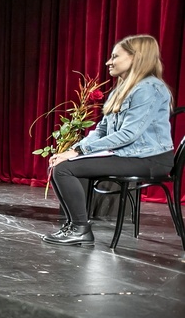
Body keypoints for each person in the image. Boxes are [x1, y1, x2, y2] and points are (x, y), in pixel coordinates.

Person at [42, 35, 174, 246]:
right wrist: (75, 148)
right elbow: (102, 129)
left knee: (65, 169)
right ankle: (74, 225)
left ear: (135, 58)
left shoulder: (149, 88)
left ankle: (80, 229)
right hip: (128, 154)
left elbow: (129, 134)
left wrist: (79, 151)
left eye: (115, 56)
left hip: (149, 158)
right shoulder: (122, 89)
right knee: (62, 164)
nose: (108, 62)